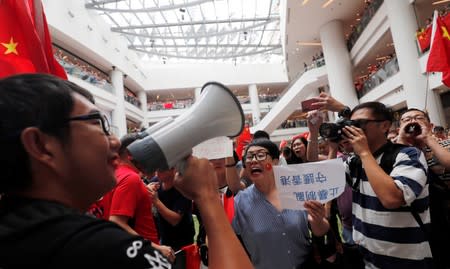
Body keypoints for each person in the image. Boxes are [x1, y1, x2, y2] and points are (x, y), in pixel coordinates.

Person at [0, 73, 253, 269]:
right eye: (98, 124)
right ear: (41, 145)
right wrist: (208, 197)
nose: (114, 142)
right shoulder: (104, 250)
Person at [342, 102, 431, 268]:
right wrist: (322, 137)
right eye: (350, 125)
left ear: (384, 126)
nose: (353, 130)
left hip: (407, 260)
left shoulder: (408, 155)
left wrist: (363, 152)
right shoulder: (354, 162)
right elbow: (324, 179)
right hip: (369, 259)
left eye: (359, 124)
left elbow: (392, 199)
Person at [232, 138, 329, 269]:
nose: (253, 160)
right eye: (248, 157)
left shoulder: (297, 191)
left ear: (275, 162)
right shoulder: (239, 202)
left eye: (260, 155)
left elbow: (321, 230)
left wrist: (317, 220)